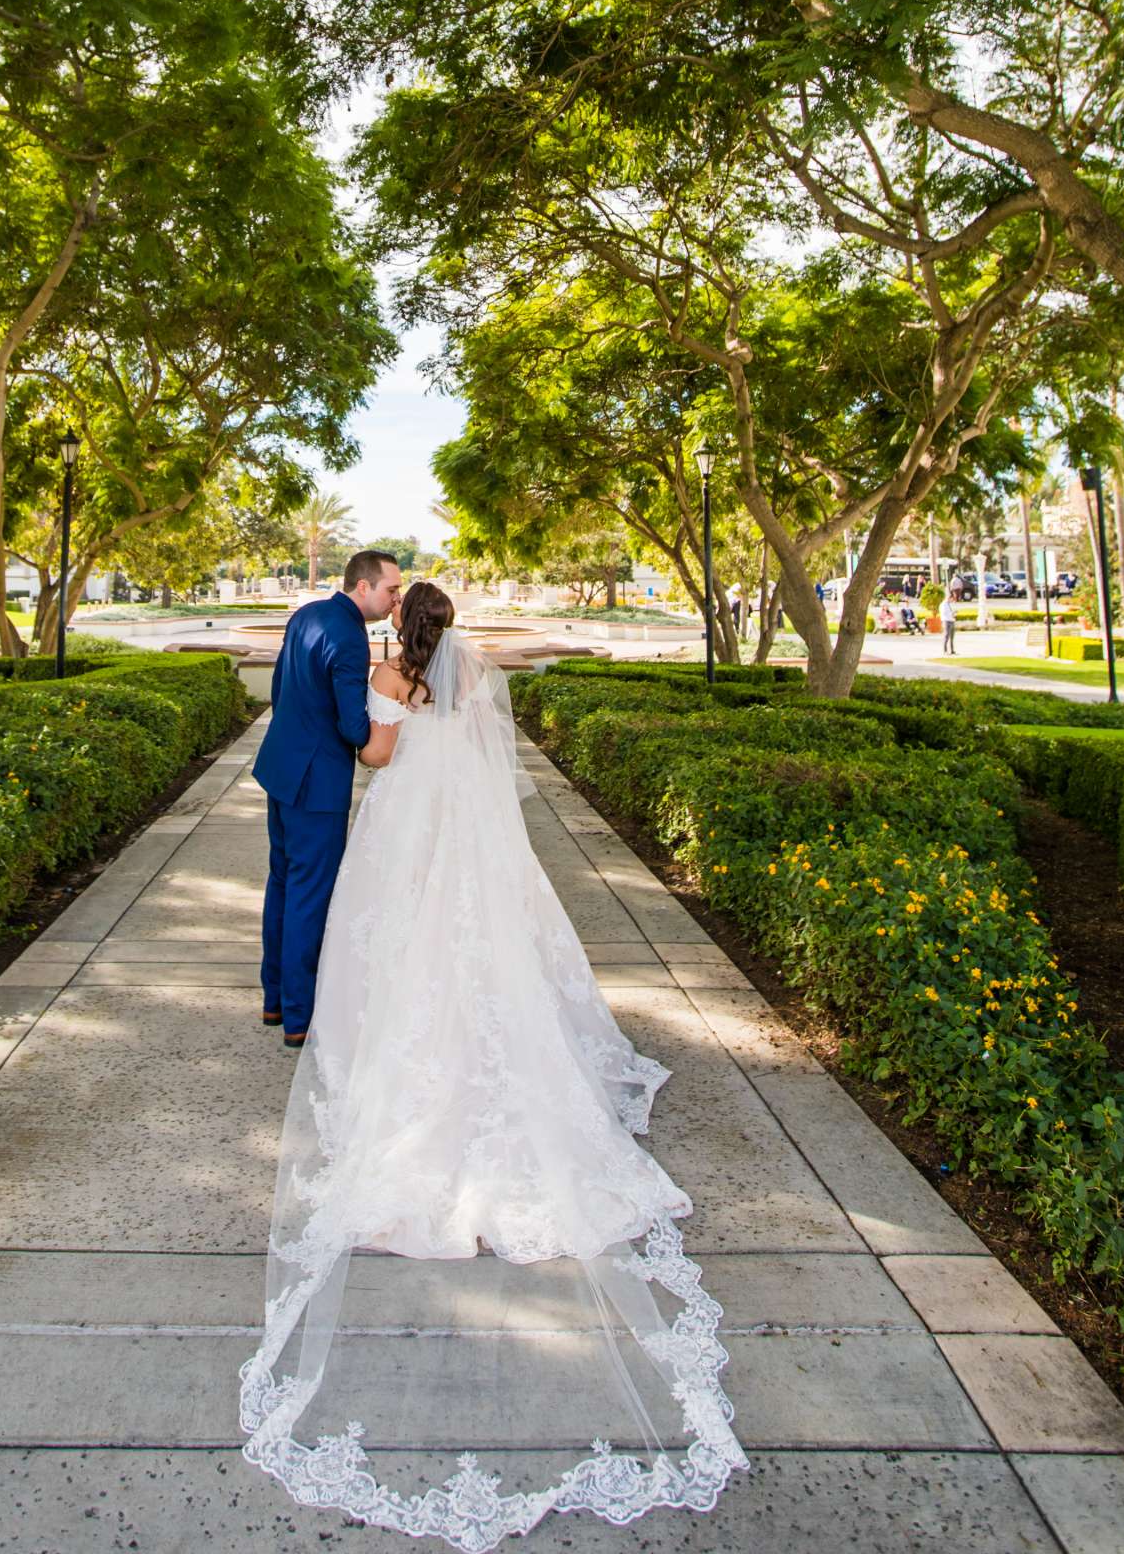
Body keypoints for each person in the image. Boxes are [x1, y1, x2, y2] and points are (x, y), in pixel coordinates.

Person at [239, 581, 747, 1547]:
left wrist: (373, 723)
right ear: (453, 626)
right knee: (481, 953)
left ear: (400, 628)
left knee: (399, 953)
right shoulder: (475, 672)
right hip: (471, 845)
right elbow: (488, 758)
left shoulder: (391, 672)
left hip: (405, 836)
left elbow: (380, 753)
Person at [253, 547, 401, 1047]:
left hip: (281, 767)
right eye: (390, 589)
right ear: (364, 586)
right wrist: (386, 728)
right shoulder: (350, 636)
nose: (394, 597)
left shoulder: (306, 614)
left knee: (284, 883)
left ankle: (274, 999)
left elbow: (280, 686)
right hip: (317, 783)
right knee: (311, 896)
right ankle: (301, 1015)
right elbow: (352, 724)